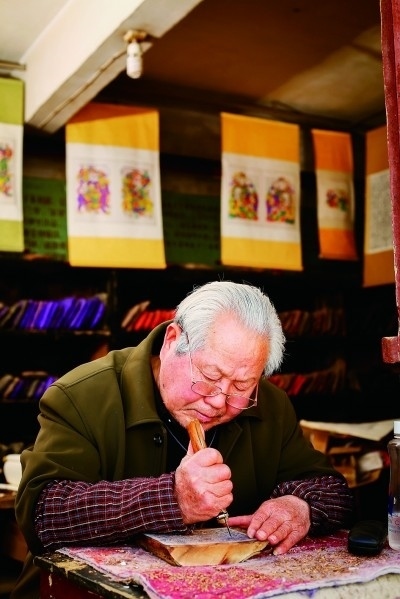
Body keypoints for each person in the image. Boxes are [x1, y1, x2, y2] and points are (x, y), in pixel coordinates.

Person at [12, 280, 354, 598]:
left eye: (241, 385)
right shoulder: (82, 394)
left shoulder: (270, 405)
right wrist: (172, 498)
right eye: (209, 375)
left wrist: (299, 506)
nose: (219, 400)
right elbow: (44, 514)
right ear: (172, 341)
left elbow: (333, 489)